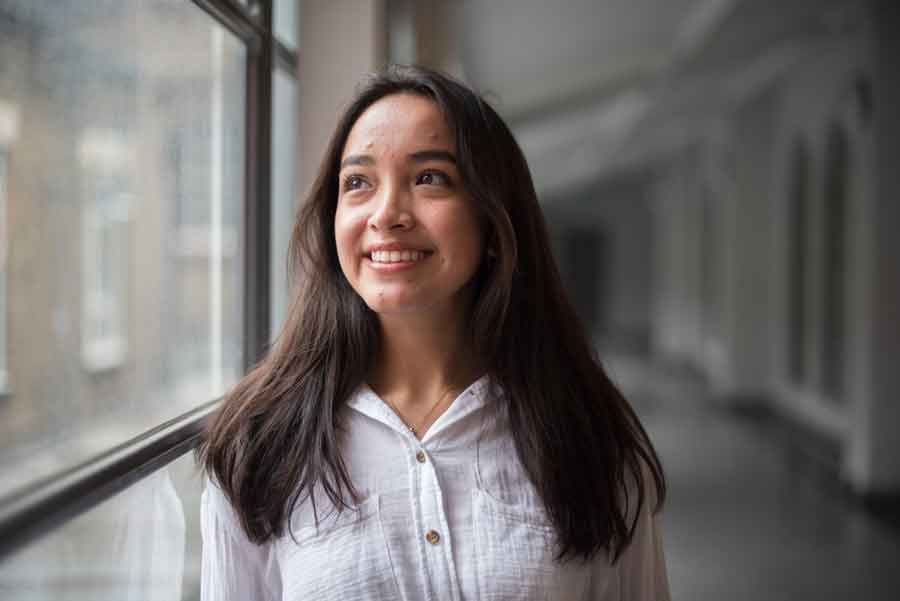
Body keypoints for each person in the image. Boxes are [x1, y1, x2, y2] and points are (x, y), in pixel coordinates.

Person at [198, 65, 670, 601]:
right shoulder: (260, 445)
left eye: (429, 178)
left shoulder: (590, 440)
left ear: (494, 221)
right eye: (358, 183)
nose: (387, 213)